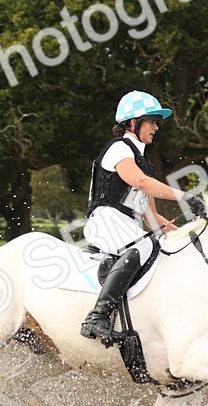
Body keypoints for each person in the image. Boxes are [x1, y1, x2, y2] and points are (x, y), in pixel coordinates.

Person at [80, 90, 188, 343]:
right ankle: (98, 315)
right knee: (145, 245)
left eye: (157, 123)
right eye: (152, 121)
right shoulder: (119, 148)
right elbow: (139, 182)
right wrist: (185, 196)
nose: (156, 128)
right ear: (133, 123)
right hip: (106, 220)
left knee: (164, 246)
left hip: (127, 224)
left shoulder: (144, 162)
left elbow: (152, 217)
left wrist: (186, 234)